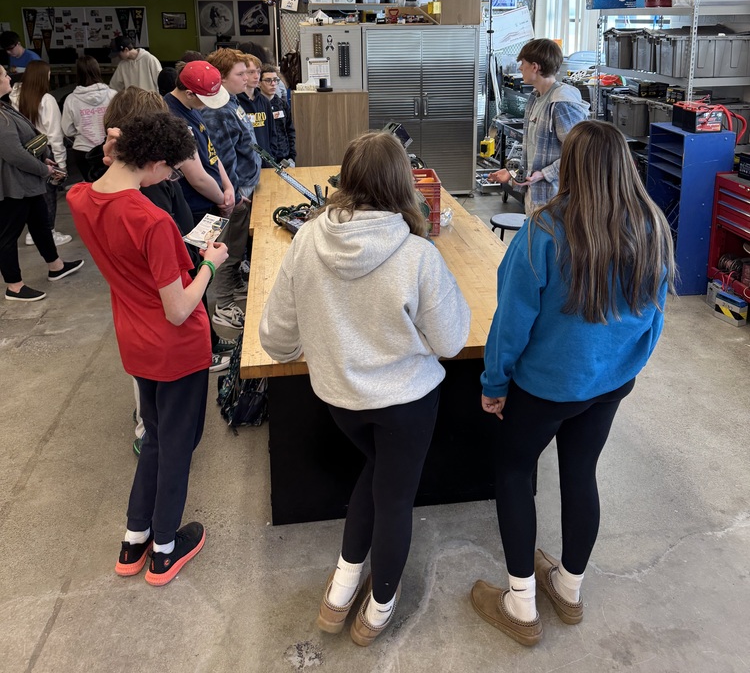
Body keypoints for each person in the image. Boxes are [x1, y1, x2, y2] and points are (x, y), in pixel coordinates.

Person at [260, 132, 471, 646]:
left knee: (376, 473)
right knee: (395, 498)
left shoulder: (306, 240)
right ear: (402, 182)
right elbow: (451, 341)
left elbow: (276, 340)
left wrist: (325, 340)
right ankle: (379, 608)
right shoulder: (417, 254)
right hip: (407, 405)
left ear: (345, 178)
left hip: (341, 400)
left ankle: (341, 589)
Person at [471, 121, 675, 647]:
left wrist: (494, 382)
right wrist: (626, 364)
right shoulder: (652, 226)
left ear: (572, 168)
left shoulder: (542, 232)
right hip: (609, 383)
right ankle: (568, 588)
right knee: (581, 474)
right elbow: (656, 317)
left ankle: (520, 605)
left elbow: (510, 324)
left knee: (513, 471)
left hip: (546, 387)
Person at [67, 112, 229, 585]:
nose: (171, 178)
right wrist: (210, 265)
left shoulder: (81, 198)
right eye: (172, 170)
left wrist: (115, 149)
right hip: (176, 348)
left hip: (134, 341)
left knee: (157, 437)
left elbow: (106, 168)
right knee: (178, 444)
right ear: (155, 162)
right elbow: (177, 309)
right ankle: (163, 549)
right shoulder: (152, 220)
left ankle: (134, 538)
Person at [0, 65, 84, 303]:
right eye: (4, 74)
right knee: (7, 236)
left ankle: (56, 266)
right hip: (13, 186)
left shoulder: (5, 106)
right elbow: (14, 153)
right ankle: (15, 286)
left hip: (27, 182)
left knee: (40, 224)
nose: (9, 77)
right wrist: (43, 169)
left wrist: (43, 158)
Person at [488, 39, 589, 211]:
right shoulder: (535, 98)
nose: (520, 68)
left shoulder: (561, 103)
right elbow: (535, 152)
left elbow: (579, 153)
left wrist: (544, 174)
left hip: (556, 200)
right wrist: (512, 172)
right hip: (535, 196)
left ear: (535, 67)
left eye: (523, 63)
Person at [202, 48, 261, 334]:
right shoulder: (216, 112)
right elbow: (223, 160)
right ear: (221, 78)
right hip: (234, 194)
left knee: (238, 245)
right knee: (229, 249)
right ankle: (224, 305)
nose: (247, 78)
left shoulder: (232, 101)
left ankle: (234, 285)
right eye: (240, 74)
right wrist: (234, 194)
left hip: (245, 186)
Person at [164, 61, 235, 222]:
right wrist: (223, 201)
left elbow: (211, 151)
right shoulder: (173, 118)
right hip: (198, 206)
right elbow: (197, 178)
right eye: (206, 100)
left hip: (214, 195)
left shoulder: (192, 107)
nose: (206, 105)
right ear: (189, 94)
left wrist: (228, 186)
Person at [10, 59, 71, 246]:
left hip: (22, 153)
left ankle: (32, 233)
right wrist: (61, 163)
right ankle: (48, 232)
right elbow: (54, 135)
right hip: (44, 153)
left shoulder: (13, 97)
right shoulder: (46, 100)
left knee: (31, 196)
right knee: (48, 195)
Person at [61, 54, 117, 182]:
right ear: (97, 70)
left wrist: (81, 130)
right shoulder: (113, 95)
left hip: (83, 150)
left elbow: (67, 130)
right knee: (112, 187)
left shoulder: (71, 99)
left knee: (90, 188)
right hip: (110, 148)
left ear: (78, 74)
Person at [238, 53, 278, 164]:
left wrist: (271, 155)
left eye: (258, 72)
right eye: (251, 72)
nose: (256, 76)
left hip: (266, 160)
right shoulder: (236, 102)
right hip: (246, 163)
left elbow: (272, 133)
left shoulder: (264, 101)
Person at [260, 63, 296, 166]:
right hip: (264, 159)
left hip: (284, 157)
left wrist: (292, 156)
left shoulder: (282, 104)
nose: (273, 84)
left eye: (275, 80)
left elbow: (290, 130)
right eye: (268, 80)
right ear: (259, 83)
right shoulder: (257, 106)